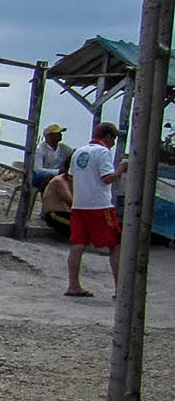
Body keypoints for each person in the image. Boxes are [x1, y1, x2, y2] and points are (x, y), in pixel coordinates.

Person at [65, 122, 127, 298]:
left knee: (78, 244)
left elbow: (70, 178)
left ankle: (73, 284)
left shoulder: (79, 152)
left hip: (79, 205)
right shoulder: (103, 152)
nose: (114, 142)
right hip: (99, 205)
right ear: (107, 137)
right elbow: (107, 178)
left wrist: (75, 196)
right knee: (115, 244)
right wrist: (121, 169)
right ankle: (119, 289)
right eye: (113, 138)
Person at [31, 124, 71, 191]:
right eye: (57, 133)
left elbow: (73, 153)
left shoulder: (63, 147)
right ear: (49, 136)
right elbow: (37, 170)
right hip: (40, 176)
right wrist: (58, 171)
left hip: (58, 175)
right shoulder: (40, 149)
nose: (60, 135)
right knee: (48, 177)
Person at [40, 170, 73, 240]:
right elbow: (70, 202)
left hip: (67, 213)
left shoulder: (73, 181)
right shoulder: (60, 181)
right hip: (54, 214)